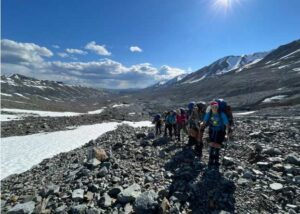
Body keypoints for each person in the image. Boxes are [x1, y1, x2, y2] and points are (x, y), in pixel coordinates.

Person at [200, 101, 230, 168]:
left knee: (217, 146)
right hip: (212, 131)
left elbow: (227, 124)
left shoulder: (221, 114)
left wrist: (227, 133)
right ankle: (211, 160)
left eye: (216, 107)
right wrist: (202, 124)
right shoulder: (209, 113)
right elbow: (204, 121)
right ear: (211, 107)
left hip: (220, 131)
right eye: (213, 107)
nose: (214, 108)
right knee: (212, 145)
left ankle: (216, 160)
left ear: (218, 107)